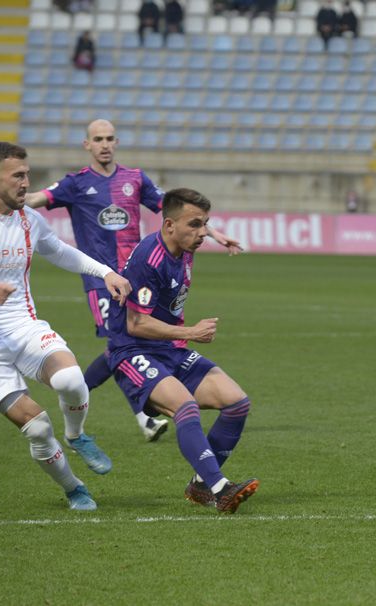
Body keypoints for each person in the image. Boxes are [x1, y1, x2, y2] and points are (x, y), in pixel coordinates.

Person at [23, 119, 243, 442]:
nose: (105, 144)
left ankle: (86, 392)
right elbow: (33, 199)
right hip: (101, 280)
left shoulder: (134, 179)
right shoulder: (75, 184)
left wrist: (213, 232)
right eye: (98, 139)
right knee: (119, 345)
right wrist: (3, 197)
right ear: (87, 145)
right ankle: (113, 404)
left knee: (121, 347)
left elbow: (179, 211)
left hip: (137, 279)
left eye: (110, 138)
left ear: (116, 141)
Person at [0, 142, 132, 511]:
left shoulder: (29, 219)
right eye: (18, 175)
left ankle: (77, 435)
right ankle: (73, 487)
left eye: (27, 174)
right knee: (38, 428)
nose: (25, 183)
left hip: (22, 324)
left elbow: (60, 251)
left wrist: (106, 272)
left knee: (70, 380)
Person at [107, 187, 259, 513]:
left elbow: (196, 225)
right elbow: (136, 324)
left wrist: (218, 235)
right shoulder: (150, 258)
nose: (201, 232)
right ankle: (220, 489)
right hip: (135, 351)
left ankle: (201, 485)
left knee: (236, 403)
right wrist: (190, 332)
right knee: (185, 407)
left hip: (170, 348)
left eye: (205, 224)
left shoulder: (185, 241)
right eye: (195, 225)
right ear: (169, 225)